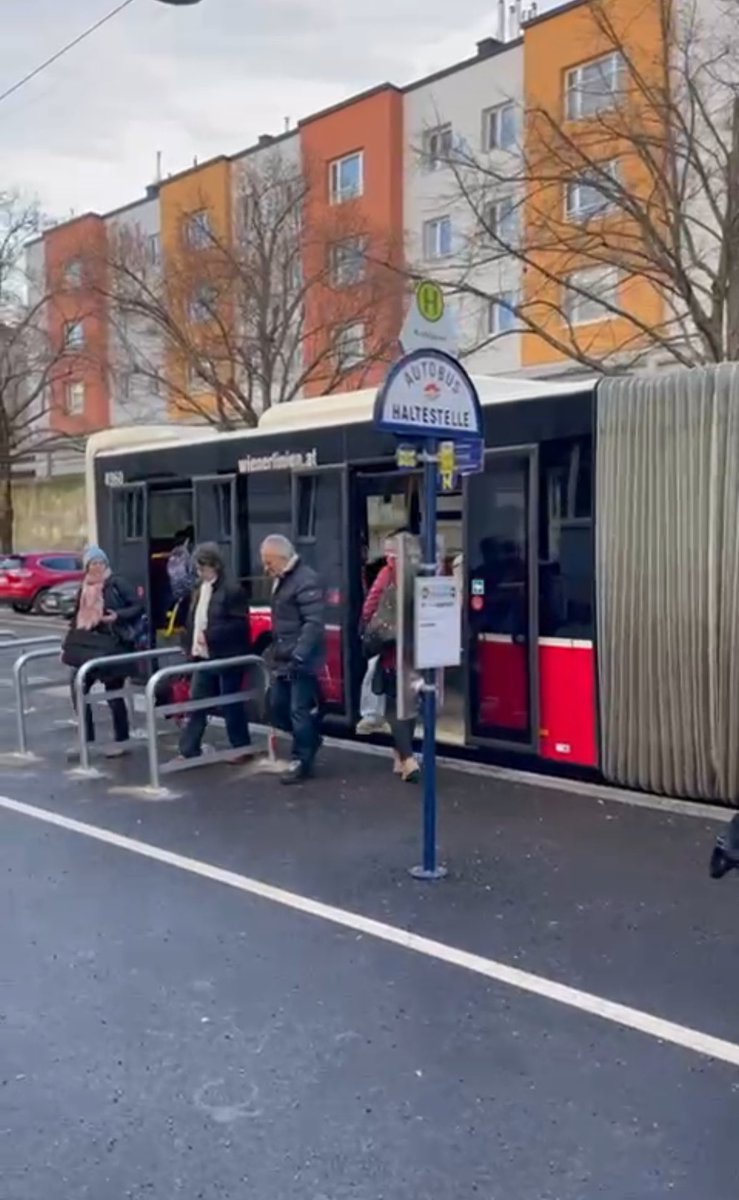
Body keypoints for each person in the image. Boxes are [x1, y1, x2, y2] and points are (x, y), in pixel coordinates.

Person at [67, 545, 144, 758]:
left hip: (114, 644)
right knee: (78, 687)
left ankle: (121, 739)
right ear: (87, 567)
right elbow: (76, 618)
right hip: (89, 646)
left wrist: (116, 616)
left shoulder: (116, 583)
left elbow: (138, 606)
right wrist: (67, 648)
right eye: (93, 563)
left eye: (101, 562)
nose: (97, 567)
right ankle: (86, 738)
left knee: (114, 694)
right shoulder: (84, 588)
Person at [260, 534, 325, 784]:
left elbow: (313, 622)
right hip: (284, 657)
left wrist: (300, 653)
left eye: (268, 562)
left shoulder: (305, 580)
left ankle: (302, 759)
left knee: (298, 709)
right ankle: (309, 739)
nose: (266, 568)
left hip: (302, 659)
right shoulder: (284, 579)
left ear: (282, 557)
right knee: (277, 706)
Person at [178, 542, 252, 761]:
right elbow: (194, 620)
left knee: (231, 704)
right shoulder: (200, 590)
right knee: (197, 703)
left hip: (227, 655)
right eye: (198, 569)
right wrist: (189, 643)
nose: (200, 573)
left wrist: (209, 635)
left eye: (203, 568)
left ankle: (241, 747)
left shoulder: (232, 590)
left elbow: (240, 626)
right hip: (203, 655)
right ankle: (188, 749)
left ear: (215, 565)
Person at [361, 531, 420, 783]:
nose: (386, 555)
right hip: (418, 649)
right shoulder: (426, 569)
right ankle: (400, 756)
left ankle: (408, 759)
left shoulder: (388, 572)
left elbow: (370, 605)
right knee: (410, 702)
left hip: (393, 650)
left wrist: (369, 627)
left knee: (394, 705)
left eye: (388, 550)